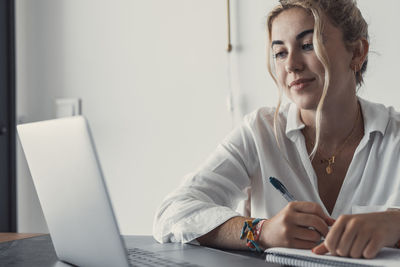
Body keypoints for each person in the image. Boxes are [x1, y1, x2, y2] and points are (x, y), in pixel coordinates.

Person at [153, 0, 400, 259]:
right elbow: (173, 212)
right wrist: (260, 231)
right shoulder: (259, 132)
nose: (291, 64)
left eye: (308, 45)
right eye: (280, 53)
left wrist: (396, 224)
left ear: (358, 52)